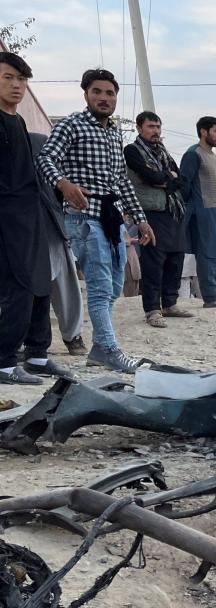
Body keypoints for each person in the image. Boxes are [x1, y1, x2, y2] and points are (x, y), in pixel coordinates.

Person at [37, 67, 156, 374]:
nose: (104, 98)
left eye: (110, 93)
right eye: (97, 92)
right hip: (84, 216)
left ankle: (99, 348)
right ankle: (107, 349)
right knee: (101, 287)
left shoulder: (114, 133)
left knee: (116, 285)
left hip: (112, 217)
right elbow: (45, 158)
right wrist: (64, 184)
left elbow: (121, 181)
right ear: (86, 94)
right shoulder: (72, 125)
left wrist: (140, 220)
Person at [0, 53, 73, 384]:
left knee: (42, 282)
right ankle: (3, 362)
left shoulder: (18, 121)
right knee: (20, 285)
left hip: (33, 215)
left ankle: (38, 355)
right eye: (8, 78)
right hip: (8, 218)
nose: (17, 85)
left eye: (22, 79)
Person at [123, 110, 193, 327]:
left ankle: (169, 303)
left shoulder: (162, 152)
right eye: (151, 127)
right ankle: (152, 309)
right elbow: (148, 176)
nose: (155, 131)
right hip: (150, 210)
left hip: (173, 210)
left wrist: (165, 180)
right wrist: (165, 178)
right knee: (154, 261)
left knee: (175, 258)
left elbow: (180, 180)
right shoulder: (132, 150)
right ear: (139, 128)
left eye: (158, 127)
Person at [29, 133, 85, 355]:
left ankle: (73, 336)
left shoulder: (39, 142)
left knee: (64, 283)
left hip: (50, 224)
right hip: (17, 229)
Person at [180, 116, 216, 309]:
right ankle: (211, 297)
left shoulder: (212, 155)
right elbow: (184, 186)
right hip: (203, 210)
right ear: (203, 132)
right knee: (207, 256)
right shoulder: (193, 154)